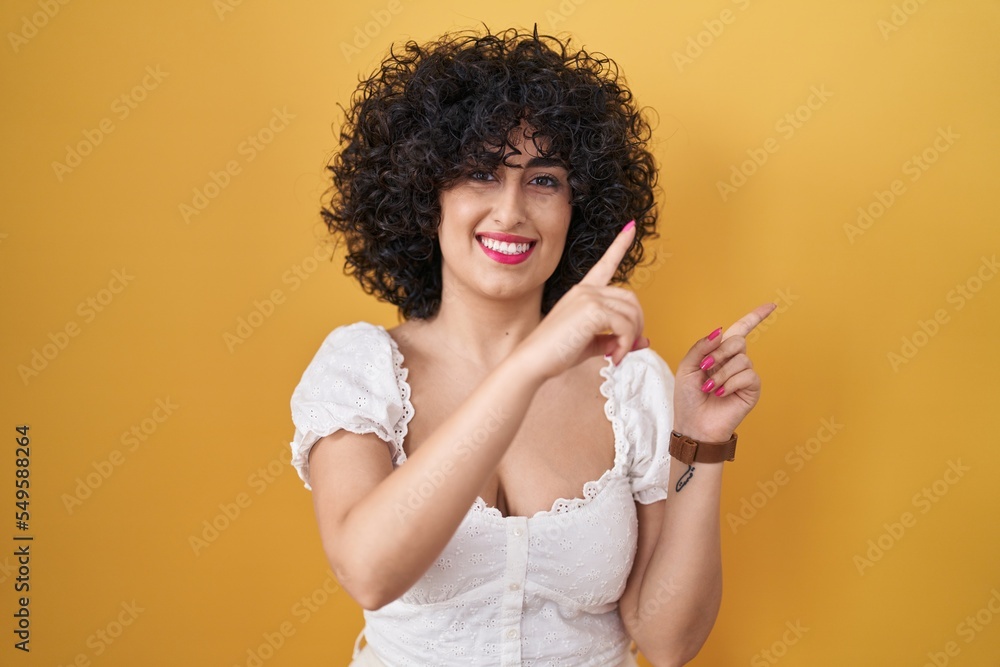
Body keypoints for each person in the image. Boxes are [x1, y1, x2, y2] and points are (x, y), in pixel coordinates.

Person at [289, 24, 776, 667]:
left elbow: (666, 642)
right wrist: (529, 366)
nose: (512, 211)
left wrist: (701, 440)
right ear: (423, 195)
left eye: (543, 180)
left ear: (579, 207)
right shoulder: (363, 368)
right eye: (480, 174)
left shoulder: (632, 381)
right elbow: (368, 572)